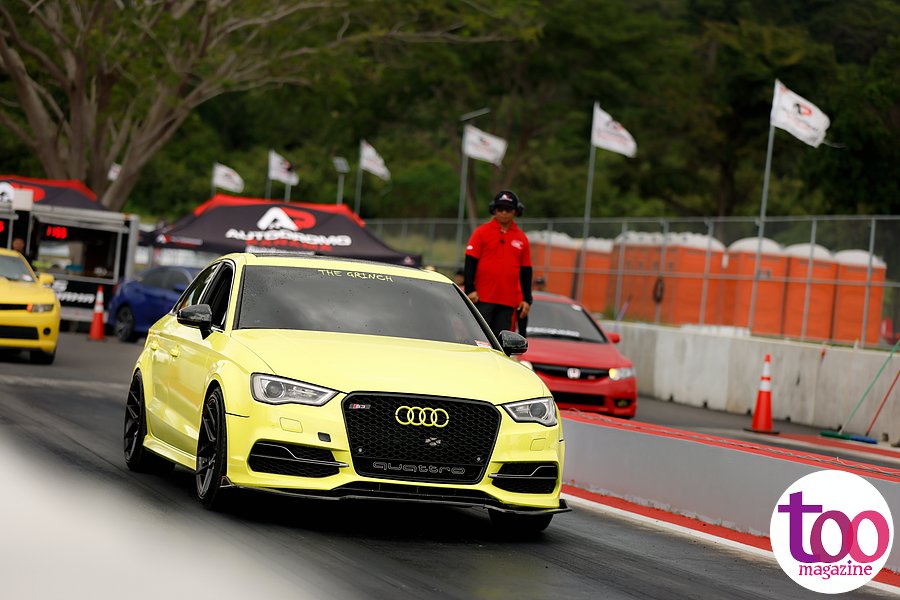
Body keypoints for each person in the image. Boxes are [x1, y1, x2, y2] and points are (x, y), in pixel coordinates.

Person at [464, 190, 533, 338]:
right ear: (494, 210)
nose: (504, 213)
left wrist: (527, 299)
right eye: (500, 209)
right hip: (482, 298)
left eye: (508, 209)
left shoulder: (521, 238)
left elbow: (526, 271)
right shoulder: (481, 232)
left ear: (516, 211)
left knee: (502, 342)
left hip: (507, 301)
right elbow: (470, 262)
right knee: (480, 338)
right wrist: (470, 289)